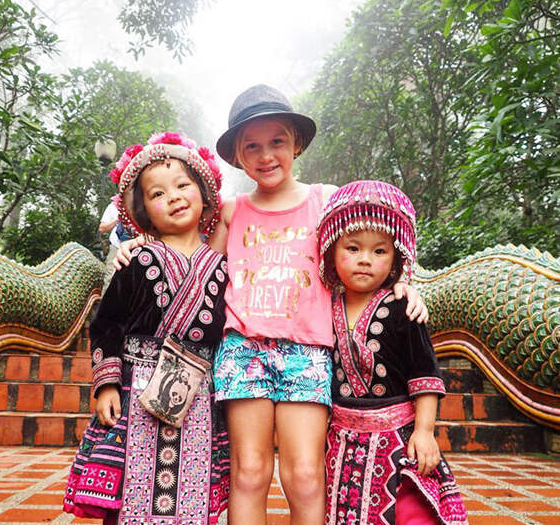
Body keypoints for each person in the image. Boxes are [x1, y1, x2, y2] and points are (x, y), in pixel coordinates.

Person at [114, 85, 428, 525]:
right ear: (237, 156)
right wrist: (139, 245)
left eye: (276, 141)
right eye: (252, 146)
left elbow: (375, 244)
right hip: (243, 351)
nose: (266, 155)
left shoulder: (326, 200)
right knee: (249, 472)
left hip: (308, 352)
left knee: (304, 475)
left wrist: (405, 283)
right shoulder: (232, 211)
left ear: (296, 143)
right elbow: (194, 262)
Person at [63, 132, 229, 524]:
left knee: (191, 495)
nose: (173, 197)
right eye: (157, 193)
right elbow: (107, 323)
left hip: (199, 398)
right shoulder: (136, 260)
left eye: (183, 185)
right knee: (127, 494)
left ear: (204, 194)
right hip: (135, 390)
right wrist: (106, 384)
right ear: (143, 211)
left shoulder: (223, 267)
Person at [317, 180, 468, 525]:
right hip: (340, 441)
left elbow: (425, 376)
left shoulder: (404, 307)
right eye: (352, 248)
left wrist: (424, 432)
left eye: (379, 251)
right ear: (331, 250)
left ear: (396, 258)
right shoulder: (323, 305)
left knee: (410, 514)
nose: (365, 260)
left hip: (398, 439)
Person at [98, 200, 122, 293]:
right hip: (116, 246)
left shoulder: (142, 201)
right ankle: (105, 301)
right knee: (110, 279)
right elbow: (102, 228)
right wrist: (117, 219)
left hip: (139, 246)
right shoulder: (114, 206)